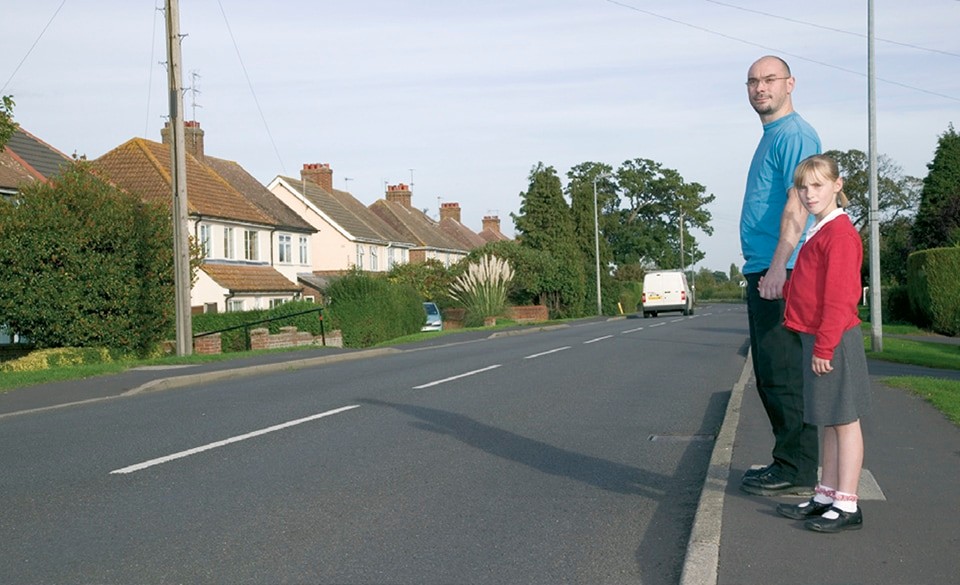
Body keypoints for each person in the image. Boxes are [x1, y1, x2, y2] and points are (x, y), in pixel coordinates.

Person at [775, 154, 870, 532]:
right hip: (819, 336)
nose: (809, 193)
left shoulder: (840, 233)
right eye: (803, 186)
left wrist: (825, 347)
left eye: (817, 185)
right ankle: (826, 494)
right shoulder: (820, 229)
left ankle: (847, 505)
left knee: (844, 422)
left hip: (834, 340)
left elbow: (839, 297)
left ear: (837, 185)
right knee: (828, 422)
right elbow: (812, 286)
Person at [739, 56, 821, 496]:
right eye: (752, 81)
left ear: (790, 84)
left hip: (782, 271)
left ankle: (797, 467)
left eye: (769, 79)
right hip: (767, 268)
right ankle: (790, 461)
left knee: (783, 372)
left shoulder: (794, 134)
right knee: (772, 371)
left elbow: (800, 201)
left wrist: (776, 267)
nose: (759, 87)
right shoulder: (772, 136)